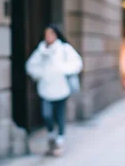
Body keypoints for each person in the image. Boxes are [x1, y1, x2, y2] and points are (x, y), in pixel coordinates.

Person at [26, 24, 83, 156]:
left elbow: (77, 63)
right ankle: (51, 135)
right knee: (47, 115)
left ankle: (59, 141)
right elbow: (30, 66)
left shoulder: (64, 49)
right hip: (46, 88)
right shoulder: (41, 50)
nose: (48, 37)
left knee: (59, 115)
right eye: (46, 34)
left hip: (61, 88)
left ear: (56, 35)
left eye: (51, 34)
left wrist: (62, 70)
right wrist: (40, 74)